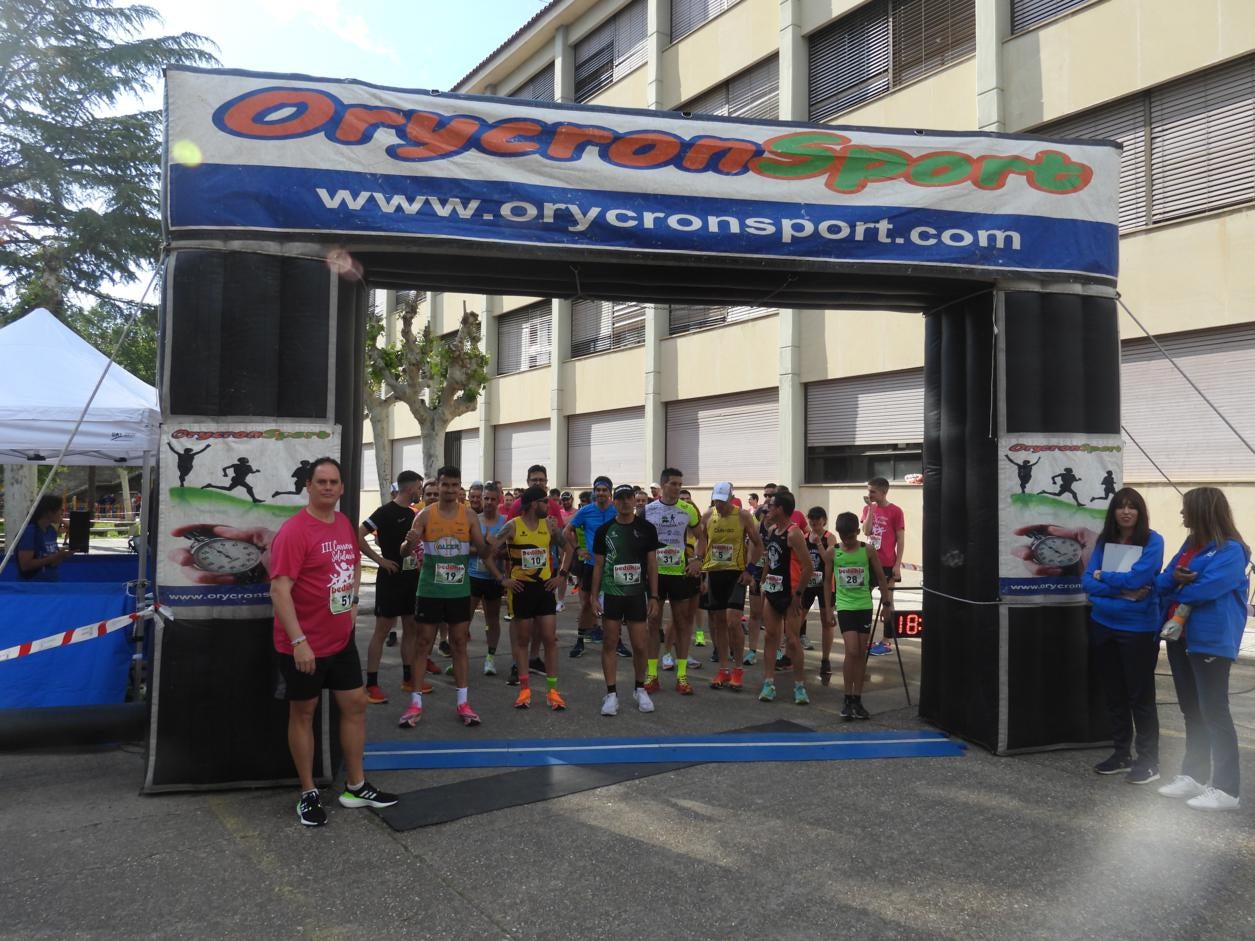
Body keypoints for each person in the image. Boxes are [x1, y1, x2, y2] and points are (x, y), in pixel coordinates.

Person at [268, 457, 398, 826]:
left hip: (340, 641)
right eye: (321, 481)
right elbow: (279, 590)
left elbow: (353, 564)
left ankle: (355, 786)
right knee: (304, 713)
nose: (328, 487)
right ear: (308, 486)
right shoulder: (294, 531)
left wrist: (353, 603)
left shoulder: (343, 524)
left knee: (355, 704)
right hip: (303, 645)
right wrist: (298, 641)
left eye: (334, 482)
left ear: (341, 488)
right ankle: (308, 792)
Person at [1155, 487, 1250, 811]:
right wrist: (1178, 580)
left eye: (1186, 508)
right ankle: (1193, 775)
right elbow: (1163, 581)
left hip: (1211, 640)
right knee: (1192, 710)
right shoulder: (1190, 545)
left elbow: (1207, 589)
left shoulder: (1232, 550)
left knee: (1214, 712)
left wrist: (1180, 585)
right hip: (1180, 638)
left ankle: (1226, 790)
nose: (1182, 514)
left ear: (1203, 511)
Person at [396, 465, 501, 729]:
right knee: (423, 643)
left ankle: (463, 703)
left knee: (459, 643)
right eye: (446, 485)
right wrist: (409, 542)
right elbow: (404, 551)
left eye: (455, 485)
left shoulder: (469, 516)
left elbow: (483, 552)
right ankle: (415, 703)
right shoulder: (424, 515)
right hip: (430, 590)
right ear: (438, 485)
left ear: (459, 487)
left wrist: (490, 544)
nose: (450, 490)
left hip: (458, 591)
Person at [1081, 487, 1165, 783]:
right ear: (1113, 512)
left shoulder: (1153, 541)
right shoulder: (1105, 540)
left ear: (1140, 512)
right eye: (1121, 506)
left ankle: (1149, 761)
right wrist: (1122, 591)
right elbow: (1087, 582)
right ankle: (1121, 754)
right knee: (1114, 694)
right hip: (1103, 624)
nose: (1126, 512)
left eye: (1132, 507)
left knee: (1140, 697)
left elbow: (1139, 578)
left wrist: (1104, 577)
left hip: (1137, 630)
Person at [490, 486, 570, 710]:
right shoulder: (513, 526)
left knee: (549, 638)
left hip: (544, 588)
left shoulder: (549, 525)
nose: (549, 505)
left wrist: (561, 576)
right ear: (534, 503)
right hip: (521, 589)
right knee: (523, 640)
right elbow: (488, 552)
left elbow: (569, 549)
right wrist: (501, 579)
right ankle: (525, 690)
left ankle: (552, 691)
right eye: (545, 501)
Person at [592, 484, 661, 716]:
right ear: (614, 501)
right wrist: (593, 596)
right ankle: (611, 694)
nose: (624, 502)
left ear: (634, 500)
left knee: (640, 645)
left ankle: (640, 689)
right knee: (610, 642)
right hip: (612, 593)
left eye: (628, 497)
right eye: (620, 498)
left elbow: (652, 564)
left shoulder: (647, 528)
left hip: (637, 594)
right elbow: (598, 565)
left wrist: (654, 595)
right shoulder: (604, 530)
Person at [357, 470, 423, 704]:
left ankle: (408, 679)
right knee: (382, 630)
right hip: (390, 578)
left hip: (410, 578)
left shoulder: (414, 514)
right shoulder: (385, 512)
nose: (420, 491)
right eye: (419, 487)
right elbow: (358, 534)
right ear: (410, 488)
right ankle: (371, 684)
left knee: (411, 628)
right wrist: (380, 560)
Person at [643, 468, 706, 696]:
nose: (678, 488)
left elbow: (702, 537)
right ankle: (652, 675)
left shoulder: (688, 509)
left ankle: (682, 676)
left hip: (680, 574)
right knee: (653, 623)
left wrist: (697, 559)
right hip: (656, 575)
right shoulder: (648, 510)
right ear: (663, 486)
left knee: (682, 623)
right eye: (673, 484)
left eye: (680, 484)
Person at [701, 483, 763, 692]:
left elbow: (758, 544)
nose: (719, 505)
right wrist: (699, 562)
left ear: (731, 498)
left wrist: (750, 570)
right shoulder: (708, 515)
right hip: (715, 573)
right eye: (716, 500)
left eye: (723, 501)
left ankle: (738, 669)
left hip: (736, 575)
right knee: (719, 622)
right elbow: (702, 540)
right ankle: (723, 669)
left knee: (733, 621)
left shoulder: (743, 516)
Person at [831, 512, 891, 718]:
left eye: (850, 537)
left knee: (861, 652)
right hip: (845, 606)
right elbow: (826, 581)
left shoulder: (868, 550)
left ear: (858, 531)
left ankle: (857, 698)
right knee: (852, 650)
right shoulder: (833, 552)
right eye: (843, 537)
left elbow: (881, 578)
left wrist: (886, 604)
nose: (847, 541)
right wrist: (828, 609)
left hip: (864, 605)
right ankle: (847, 698)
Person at [758, 490, 813, 705]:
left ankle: (799, 686)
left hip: (790, 594)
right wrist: (763, 582)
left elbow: (808, 567)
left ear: (780, 509)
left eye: (771, 506)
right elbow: (769, 560)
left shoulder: (794, 533)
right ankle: (768, 683)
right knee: (770, 637)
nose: (767, 509)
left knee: (792, 640)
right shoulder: (773, 530)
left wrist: (798, 594)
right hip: (772, 591)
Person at [562, 476, 617, 659]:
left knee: (615, 603)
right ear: (594, 492)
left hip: (612, 565)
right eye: (598, 490)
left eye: (604, 490)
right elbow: (567, 531)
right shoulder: (586, 511)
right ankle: (580, 640)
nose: (601, 493)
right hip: (591, 564)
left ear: (610, 492)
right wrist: (578, 549)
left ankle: (617, 642)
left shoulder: (616, 510)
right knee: (586, 603)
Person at [468, 481, 508, 677]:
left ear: (499, 500)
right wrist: (484, 550)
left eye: (493, 499)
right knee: (463, 619)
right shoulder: (474, 520)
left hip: (493, 578)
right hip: (473, 576)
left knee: (492, 619)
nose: (489, 502)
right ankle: (459, 658)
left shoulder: (505, 522)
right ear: (481, 500)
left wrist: (499, 553)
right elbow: (464, 547)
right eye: (486, 498)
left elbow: (509, 550)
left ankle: (490, 658)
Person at [861, 477, 903, 656]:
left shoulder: (896, 511)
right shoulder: (867, 508)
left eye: (873, 491)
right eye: (868, 490)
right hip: (869, 562)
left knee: (888, 601)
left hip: (887, 563)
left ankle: (886, 641)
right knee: (865, 599)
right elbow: (866, 531)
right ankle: (865, 638)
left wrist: (897, 565)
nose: (869, 494)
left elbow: (900, 539)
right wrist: (870, 509)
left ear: (883, 492)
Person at [801, 507, 836, 658]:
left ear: (824, 521)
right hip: (808, 583)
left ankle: (825, 658)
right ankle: (790, 653)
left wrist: (819, 544)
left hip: (825, 584)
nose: (814, 523)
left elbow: (828, 559)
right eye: (812, 520)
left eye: (818, 520)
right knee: (798, 617)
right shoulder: (804, 537)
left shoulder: (830, 537)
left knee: (826, 621)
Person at [16, 494, 72, 580]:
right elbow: (25, 565)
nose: (62, 512)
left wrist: (61, 556)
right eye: (60, 509)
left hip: (50, 583)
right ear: (48, 512)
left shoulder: (51, 531)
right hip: (32, 585)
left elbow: (53, 562)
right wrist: (54, 558)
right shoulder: (29, 532)